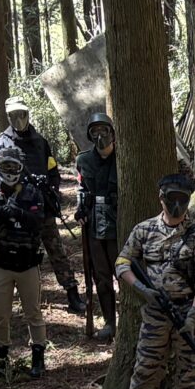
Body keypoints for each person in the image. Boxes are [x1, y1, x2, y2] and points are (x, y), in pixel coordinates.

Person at [110, 172, 195, 389]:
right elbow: (122, 262)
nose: (177, 206)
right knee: (146, 370)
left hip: (186, 312)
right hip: (155, 314)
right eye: (171, 199)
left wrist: (194, 313)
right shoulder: (144, 230)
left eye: (183, 200)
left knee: (188, 374)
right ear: (161, 198)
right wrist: (142, 289)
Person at [0, 94, 84, 319]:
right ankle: (16, 298)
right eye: (14, 115)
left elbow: (52, 171)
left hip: (41, 207)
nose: (18, 119)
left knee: (56, 249)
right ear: (8, 116)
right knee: (14, 252)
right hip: (15, 209)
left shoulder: (40, 142)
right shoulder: (2, 143)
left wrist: (50, 192)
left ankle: (72, 292)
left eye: (21, 114)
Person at [0, 146, 51, 378]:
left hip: (28, 263)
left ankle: (38, 357)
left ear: (21, 168)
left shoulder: (32, 192)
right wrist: (1, 212)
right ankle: (1, 358)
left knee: (33, 312)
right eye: (5, 166)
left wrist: (18, 213)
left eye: (14, 166)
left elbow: (38, 223)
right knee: (0, 314)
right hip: (0, 264)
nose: (9, 171)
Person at [74, 112, 121, 339]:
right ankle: (110, 322)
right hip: (94, 223)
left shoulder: (122, 158)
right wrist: (81, 209)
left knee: (123, 272)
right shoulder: (84, 160)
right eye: (95, 131)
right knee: (101, 276)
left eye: (104, 130)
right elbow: (82, 189)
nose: (100, 136)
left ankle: (128, 318)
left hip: (118, 223)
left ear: (112, 133)